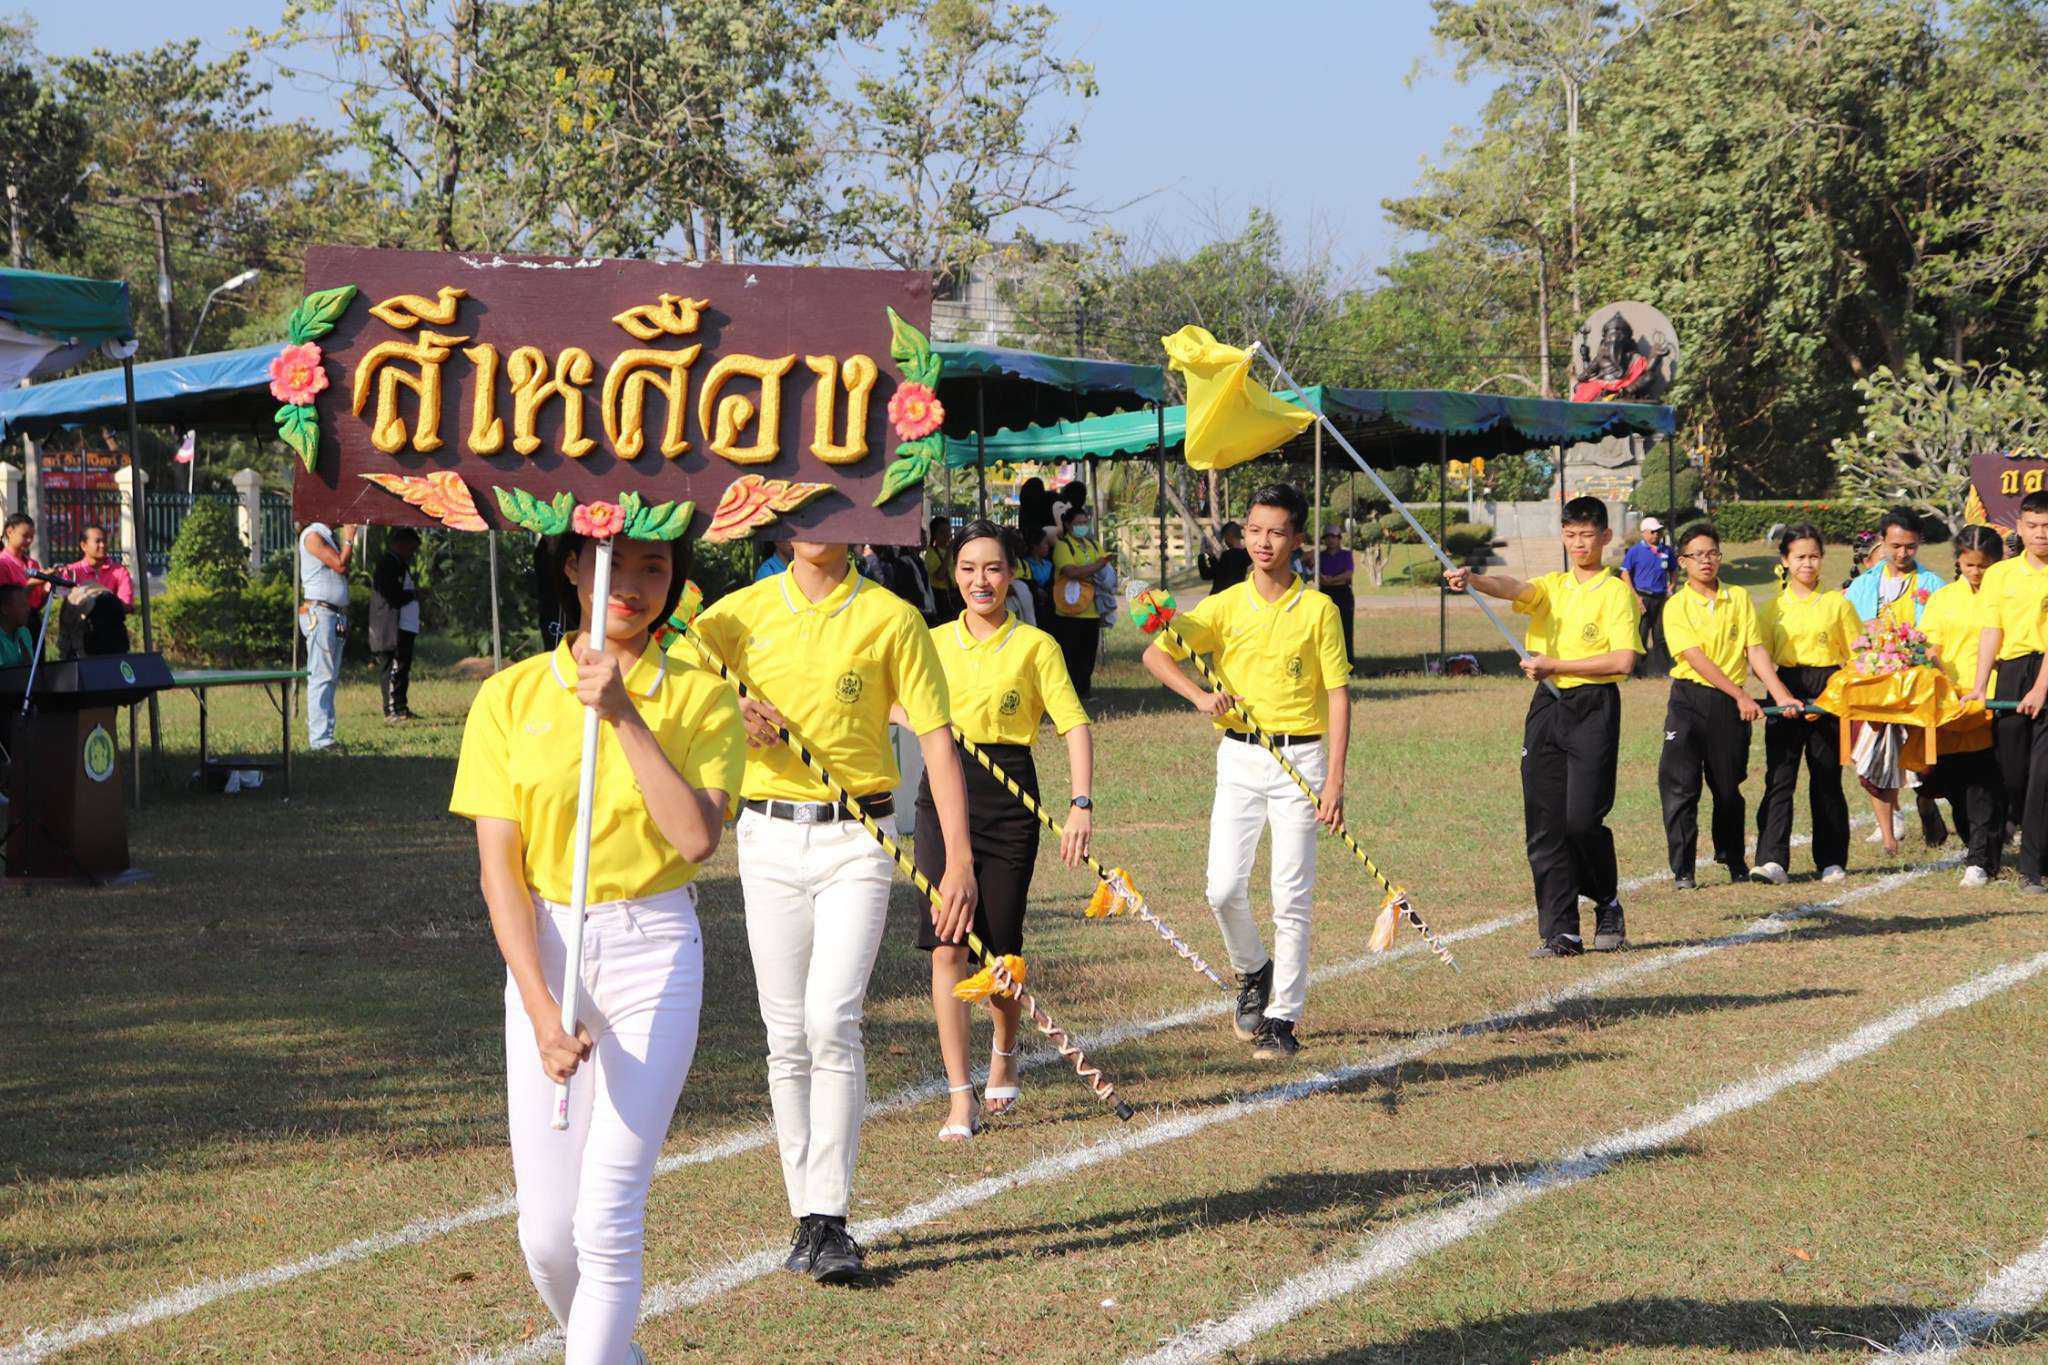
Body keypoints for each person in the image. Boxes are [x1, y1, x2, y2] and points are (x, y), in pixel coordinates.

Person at [451, 526, 742, 1365]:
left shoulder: (702, 698)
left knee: (607, 1214)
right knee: (549, 1237)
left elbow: (695, 838)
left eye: (657, 567)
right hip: (547, 953)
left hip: (655, 947)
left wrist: (623, 714)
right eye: (618, 563)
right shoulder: (508, 696)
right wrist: (541, 1008)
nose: (634, 584)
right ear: (574, 566)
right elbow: (499, 874)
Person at [692, 539, 976, 1284]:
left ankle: (831, 1216)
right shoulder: (737, 614)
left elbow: (937, 742)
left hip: (860, 837)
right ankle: (805, 1216)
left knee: (831, 1019)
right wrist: (728, 705)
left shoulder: (892, 617)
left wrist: (959, 861)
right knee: (785, 1035)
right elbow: (669, 683)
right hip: (766, 835)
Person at [1141, 482, 1349, 1060]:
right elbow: (1156, 652)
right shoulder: (1224, 605)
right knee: (1222, 889)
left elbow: (1338, 696)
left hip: (1301, 760)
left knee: (1291, 896)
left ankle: (1283, 1017)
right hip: (1239, 756)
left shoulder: (1319, 611)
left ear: (1296, 538)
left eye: (1276, 532)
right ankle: (1254, 968)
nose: (1263, 542)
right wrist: (1200, 697)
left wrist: (1334, 781)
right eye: (1255, 530)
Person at [913, 519, 1093, 1139]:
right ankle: (959, 1096)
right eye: (967, 569)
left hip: (1009, 797)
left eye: (992, 568)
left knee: (1000, 953)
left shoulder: (1036, 647)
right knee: (949, 945)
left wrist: (1080, 804)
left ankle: (1005, 1048)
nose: (980, 580)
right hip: (943, 793)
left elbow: (1073, 724)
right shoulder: (930, 642)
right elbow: (892, 699)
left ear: (1011, 574)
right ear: (953, 575)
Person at [1447, 497, 1639, 958]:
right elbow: (1515, 588)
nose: (1579, 544)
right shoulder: (1553, 586)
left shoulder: (1615, 592)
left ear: (1605, 537)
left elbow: (1623, 661)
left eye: (1587, 535)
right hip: (1547, 706)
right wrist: (1474, 580)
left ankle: (1607, 901)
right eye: (1571, 535)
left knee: (1581, 820)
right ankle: (1561, 931)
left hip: (1593, 705)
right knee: (1544, 822)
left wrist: (1558, 665)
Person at [1659, 522, 1803, 888]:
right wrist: (1741, 695)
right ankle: (1683, 870)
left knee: (1727, 788)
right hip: (1689, 699)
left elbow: (1755, 650)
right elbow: (1695, 658)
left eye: (1712, 553)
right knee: (1681, 787)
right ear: (1683, 561)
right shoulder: (1676, 606)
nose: (1706, 561)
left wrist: (1780, 693)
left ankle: (1733, 857)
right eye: (1697, 555)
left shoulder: (1737, 597)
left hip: (1728, 706)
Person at [1752, 523, 1859, 885]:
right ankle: (1771, 859)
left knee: (1826, 776)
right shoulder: (1772, 609)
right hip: (1785, 686)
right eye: (1799, 557)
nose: (1807, 564)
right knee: (1780, 777)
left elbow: (1857, 655)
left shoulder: (1837, 604)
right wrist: (1781, 693)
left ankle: (1831, 859)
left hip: (1828, 689)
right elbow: (1760, 657)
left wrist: (1835, 694)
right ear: (1785, 560)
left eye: (1814, 556)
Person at [1844, 507, 1949, 847]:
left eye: (1910, 546)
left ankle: (1926, 803)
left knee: (1925, 762)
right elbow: (1851, 634)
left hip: (1917, 685)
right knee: (1871, 755)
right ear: (1882, 541)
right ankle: (1890, 831)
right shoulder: (1862, 586)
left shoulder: (1933, 585)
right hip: (1873, 685)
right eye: (1896, 546)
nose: (1903, 553)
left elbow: (1940, 635)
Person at [1967, 490, 2048, 892]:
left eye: (2047, 526)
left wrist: (2041, 688)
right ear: (2019, 527)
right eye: (2033, 526)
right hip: (2013, 671)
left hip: (2046, 669)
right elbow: (1991, 631)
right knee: (2012, 772)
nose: (2041, 533)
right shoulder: (2000, 575)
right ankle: (2009, 832)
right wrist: (1980, 686)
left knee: (2043, 775)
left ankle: (2032, 868)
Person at [1925, 525, 2007, 886]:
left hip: (1991, 697)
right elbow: (1930, 644)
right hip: (1950, 702)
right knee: (1954, 782)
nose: (1976, 572)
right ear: (1958, 561)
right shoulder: (1942, 599)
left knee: (1983, 781)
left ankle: (1980, 859)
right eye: (1969, 564)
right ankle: (1976, 844)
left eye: (1983, 566)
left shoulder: (2003, 596)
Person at [297, 520, 357, 752]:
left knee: (329, 676)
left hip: (332, 614)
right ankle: (320, 740)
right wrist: (349, 538)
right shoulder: (313, 535)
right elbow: (340, 565)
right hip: (320, 613)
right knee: (321, 676)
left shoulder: (327, 536)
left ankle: (325, 734)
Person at [1049, 502, 1112, 699]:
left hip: (1092, 610)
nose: (1083, 526)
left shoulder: (1093, 545)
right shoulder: (1063, 546)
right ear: (1068, 525)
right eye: (1078, 523)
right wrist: (1097, 566)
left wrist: (1091, 570)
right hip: (1069, 612)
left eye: (1085, 522)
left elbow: (1105, 568)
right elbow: (1071, 572)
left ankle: (1084, 691)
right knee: (1071, 654)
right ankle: (1069, 694)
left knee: (1088, 654)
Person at [370, 527, 424, 723]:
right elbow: (391, 594)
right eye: (411, 549)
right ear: (400, 544)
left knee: (402, 668)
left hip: (405, 625)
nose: (412, 554)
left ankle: (401, 706)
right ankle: (391, 709)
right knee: (393, 668)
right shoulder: (388, 564)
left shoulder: (400, 564)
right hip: (392, 626)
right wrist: (413, 594)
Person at [1621, 517, 1676, 676]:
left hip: (1661, 597)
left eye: (1658, 531)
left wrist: (1671, 587)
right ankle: (1638, 670)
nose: (1656, 534)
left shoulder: (1666, 551)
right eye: (1653, 532)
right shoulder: (1635, 551)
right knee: (1641, 634)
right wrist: (1635, 596)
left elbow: (1673, 570)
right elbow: (1625, 574)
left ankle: (1662, 670)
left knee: (1660, 634)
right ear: (1644, 533)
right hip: (1642, 597)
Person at [63, 525, 133, 610]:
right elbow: (67, 604)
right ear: (83, 545)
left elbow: (126, 604)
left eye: (105, 541)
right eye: (97, 541)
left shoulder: (120, 571)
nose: (102, 545)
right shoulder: (71, 571)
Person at [1317, 525, 1357, 669]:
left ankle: (1348, 665)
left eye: (1333, 537)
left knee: (1345, 630)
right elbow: (1316, 573)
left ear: (1339, 539)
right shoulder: (1320, 556)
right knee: (1325, 630)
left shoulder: (1346, 555)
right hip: (1325, 593)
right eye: (1327, 537)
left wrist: (1332, 580)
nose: (1330, 540)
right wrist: (1325, 580)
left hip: (1342, 592)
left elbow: (1348, 573)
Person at [0, 514, 45, 611]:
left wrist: (47, 588)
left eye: (31, 536)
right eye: (25, 536)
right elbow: (6, 602)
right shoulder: (2, 563)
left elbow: (37, 604)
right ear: (9, 532)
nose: (29, 540)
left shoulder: (33, 564)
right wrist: (31, 584)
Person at [1199, 522, 1252, 596]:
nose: (1224, 541)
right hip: (1236, 596)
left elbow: (1207, 575)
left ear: (1229, 536)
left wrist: (1201, 556)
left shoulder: (1227, 556)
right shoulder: (1246, 555)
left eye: (1225, 538)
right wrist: (1212, 557)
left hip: (1220, 597)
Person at [0, 582, 34, 667]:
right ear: (5, 609)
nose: (28, 609)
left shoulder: (24, 632)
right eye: (23, 605)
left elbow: (30, 668)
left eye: (27, 605)